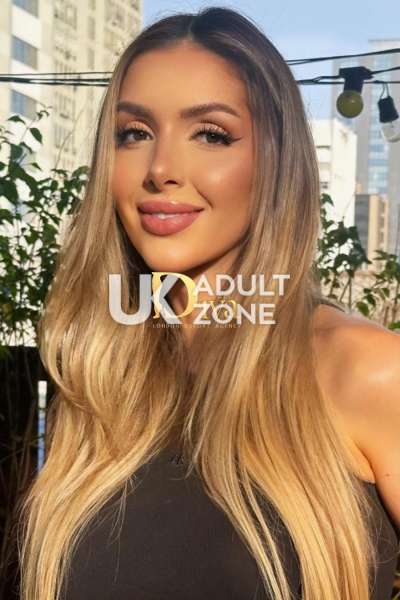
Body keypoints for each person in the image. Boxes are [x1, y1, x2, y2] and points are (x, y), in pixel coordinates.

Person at [17, 7, 400, 600]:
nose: (161, 169)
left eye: (211, 134)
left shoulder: (366, 371)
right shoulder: (100, 378)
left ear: (276, 161)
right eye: (134, 133)